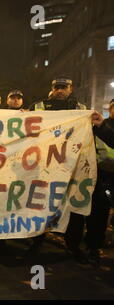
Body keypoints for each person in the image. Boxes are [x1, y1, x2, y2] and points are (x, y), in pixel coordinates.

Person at [28, 76, 88, 262]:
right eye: (57, 87)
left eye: (64, 87)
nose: (60, 90)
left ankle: (73, 246)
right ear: (52, 89)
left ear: (71, 89)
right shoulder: (39, 106)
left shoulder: (81, 109)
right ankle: (36, 243)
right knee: (42, 205)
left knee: (73, 207)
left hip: (72, 166)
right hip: (46, 166)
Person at [64, 103, 114, 265]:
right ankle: (73, 246)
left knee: (98, 215)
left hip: (102, 179)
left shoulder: (102, 127)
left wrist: (102, 126)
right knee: (76, 213)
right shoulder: (91, 126)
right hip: (80, 178)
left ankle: (93, 247)